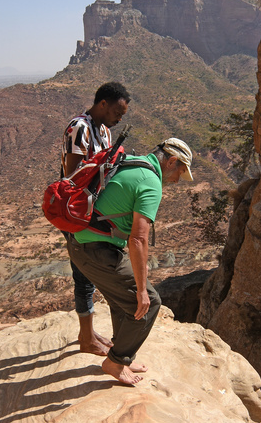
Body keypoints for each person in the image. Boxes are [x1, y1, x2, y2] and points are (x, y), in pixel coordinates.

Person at [66, 137, 193, 386]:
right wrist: (143, 289)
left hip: (82, 243)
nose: (178, 180)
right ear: (172, 161)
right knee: (149, 302)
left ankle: (122, 354)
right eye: (180, 172)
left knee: (121, 298)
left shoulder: (134, 162)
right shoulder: (151, 182)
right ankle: (116, 361)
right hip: (96, 249)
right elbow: (138, 239)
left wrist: (139, 272)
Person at [60, 82, 131, 356]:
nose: (119, 118)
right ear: (103, 103)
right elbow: (73, 174)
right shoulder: (80, 127)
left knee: (89, 272)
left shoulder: (102, 130)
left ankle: (88, 332)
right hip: (77, 210)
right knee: (83, 273)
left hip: (94, 210)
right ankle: (86, 337)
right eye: (117, 111)